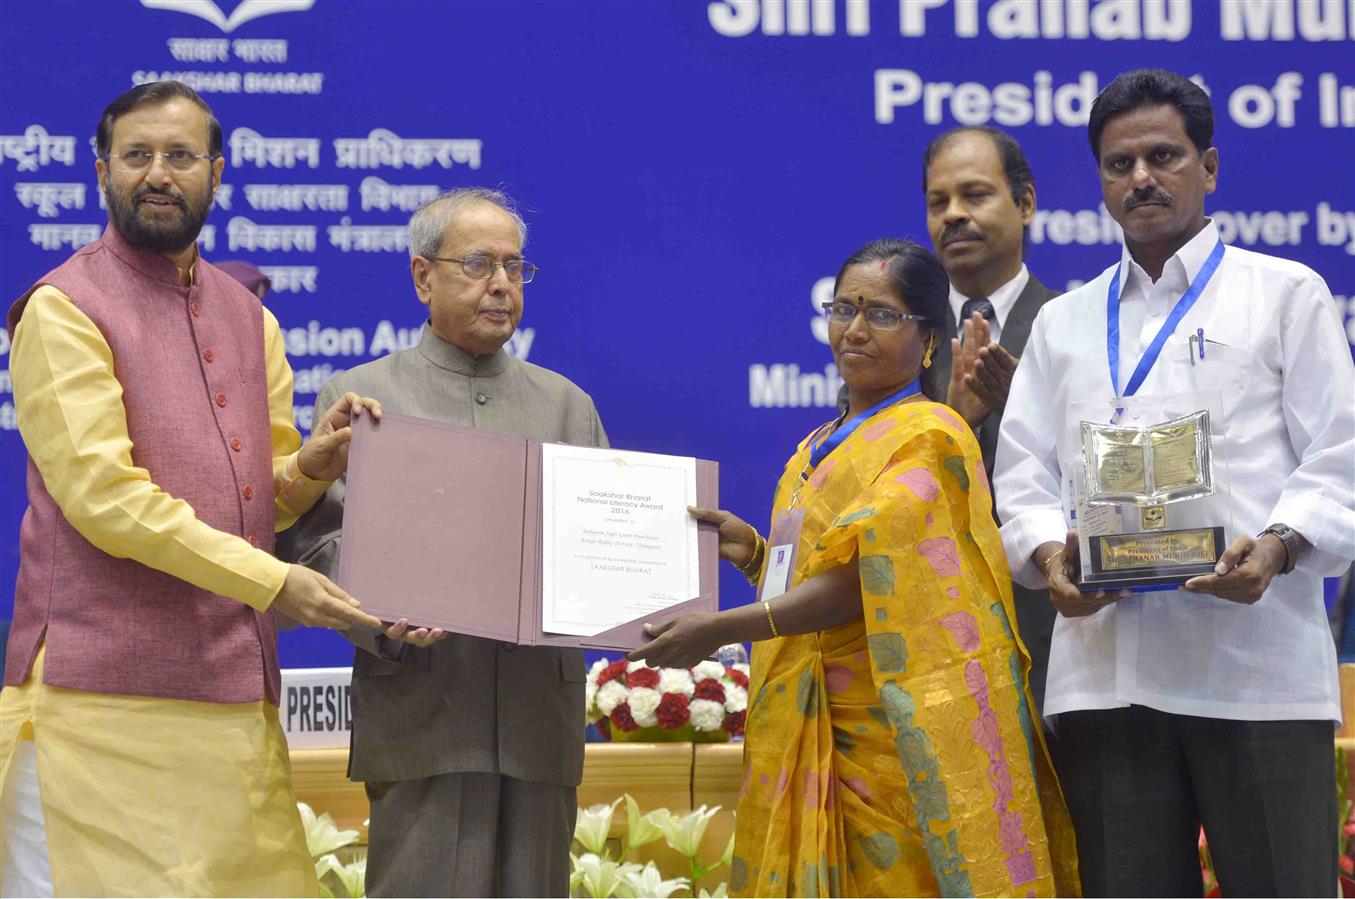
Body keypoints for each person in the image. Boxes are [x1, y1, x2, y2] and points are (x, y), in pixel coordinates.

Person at [0, 81, 389, 896]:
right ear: (101, 171)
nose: (158, 173)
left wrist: (310, 467)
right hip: (96, 708)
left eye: (180, 156)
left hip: (234, 710)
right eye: (136, 155)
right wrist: (279, 583)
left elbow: (262, 501)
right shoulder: (63, 309)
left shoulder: (251, 319)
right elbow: (106, 499)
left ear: (216, 172)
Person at [995, 68, 1354, 897]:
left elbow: (1337, 457)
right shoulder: (1064, 321)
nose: (1141, 178)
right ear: (1099, 183)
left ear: (1210, 166)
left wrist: (1276, 545)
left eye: (1163, 155)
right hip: (1107, 673)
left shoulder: (1283, 295)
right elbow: (1021, 476)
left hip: (1256, 669)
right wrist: (1051, 558)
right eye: (1119, 164)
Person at [632, 238, 1077, 897]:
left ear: (930, 337)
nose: (855, 329)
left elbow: (856, 584)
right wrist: (753, 551)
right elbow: (807, 581)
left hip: (881, 746)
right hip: (797, 727)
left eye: (882, 314)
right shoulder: (814, 445)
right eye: (842, 309)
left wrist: (719, 627)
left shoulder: (929, 434)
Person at [291, 187, 608, 898]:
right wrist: (381, 617)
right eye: (477, 264)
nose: (500, 283)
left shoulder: (566, 403)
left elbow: (599, 550)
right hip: (421, 712)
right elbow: (316, 546)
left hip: (538, 720)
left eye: (514, 267)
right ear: (422, 277)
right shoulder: (362, 396)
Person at [924, 126, 1061, 713]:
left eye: (975, 195)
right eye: (938, 202)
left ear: (1025, 204)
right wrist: (952, 424)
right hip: (928, 646)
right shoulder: (902, 343)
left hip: (1055, 646)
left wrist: (1020, 413)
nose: (953, 215)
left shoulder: (1072, 329)